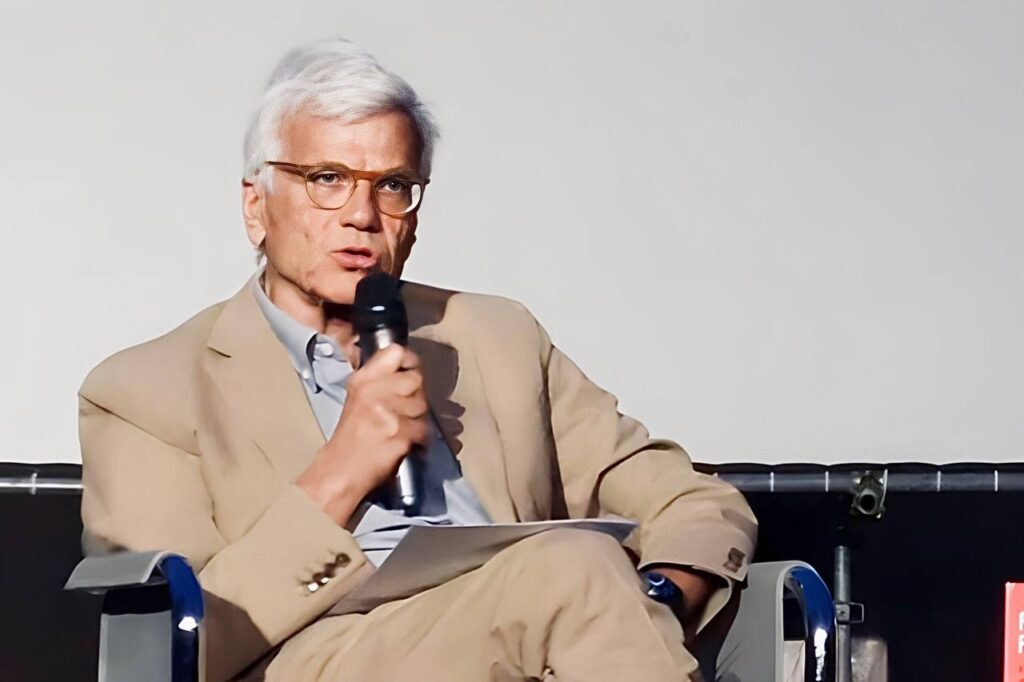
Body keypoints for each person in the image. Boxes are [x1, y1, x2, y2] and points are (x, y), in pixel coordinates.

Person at [78, 38, 757, 682]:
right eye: (327, 179)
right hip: (319, 655)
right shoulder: (145, 392)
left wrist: (654, 598)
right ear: (257, 207)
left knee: (580, 575)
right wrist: (342, 471)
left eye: (393, 185)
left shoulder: (496, 337)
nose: (362, 215)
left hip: (542, 634)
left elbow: (690, 501)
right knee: (574, 567)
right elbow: (177, 645)